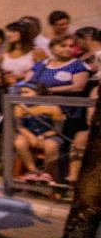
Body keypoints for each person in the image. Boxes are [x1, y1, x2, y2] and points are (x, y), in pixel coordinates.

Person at [27, 35, 91, 182]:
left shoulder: (77, 65)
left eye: (71, 46)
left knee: (58, 144)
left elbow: (78, 86)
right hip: (40, 112)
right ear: (52, 48)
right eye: (63, 46)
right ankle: (36, 174)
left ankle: (59, 177)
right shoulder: (42, 65)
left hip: (68, 114)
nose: (68, 49)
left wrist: (50, 91)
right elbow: (29, 81)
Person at [13, 82, 64, 183]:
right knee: (19, 143)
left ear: (38, 93)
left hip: (49, 135)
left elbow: (57, 129)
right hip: (28, 133)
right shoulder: (19, 107)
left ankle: (46, 173)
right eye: (21, 92)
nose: (23, 95)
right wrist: (30, 136)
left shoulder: (53, 107)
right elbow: (20, 126)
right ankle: (33, 171)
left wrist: (43, 136)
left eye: (27, 92)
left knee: (51, 146)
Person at [1, 20, 45, 86]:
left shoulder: (36, 52)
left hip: (29, 88)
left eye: (13, 31)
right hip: (8, 89)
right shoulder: (5, 53)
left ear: (24, 33)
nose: (8, 34)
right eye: (7, 32)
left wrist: (22, 76)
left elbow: (43, 72)